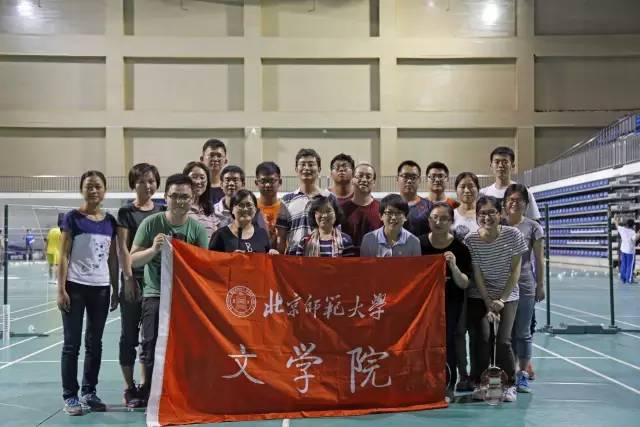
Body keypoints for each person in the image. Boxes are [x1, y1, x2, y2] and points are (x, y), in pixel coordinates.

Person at [130, 174, 209, 404]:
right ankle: (151, 394)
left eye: (185, 196)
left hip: (184, 298)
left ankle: (182, 394)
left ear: (192, 198)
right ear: (166, 197)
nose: (180, 201)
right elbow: (133, 260)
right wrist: (153, 250)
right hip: (155, 295)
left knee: (185, 347)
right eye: (175, 196)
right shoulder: (151, 224)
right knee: (151, 344)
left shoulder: (197, 230)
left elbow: (204, 266)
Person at [56, 170, 119, 416]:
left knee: (95, 343)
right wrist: (61, 289)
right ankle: (70, 396)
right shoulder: (72, 218)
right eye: (89, 186)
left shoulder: (110, 222)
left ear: (105, 190)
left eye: (98, 186)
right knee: (71, 344)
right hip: (75, 287)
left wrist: (115, 288)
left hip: (101, 289)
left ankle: (89, 392)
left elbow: (112, 258)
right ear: (82, 189)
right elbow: (63, 255)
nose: (93, 190)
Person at [464, 195, 527, 402]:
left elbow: (515, 270)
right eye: (482, 213)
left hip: (507, 295)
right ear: (476, 216)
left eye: (492, 212)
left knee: (503, 340)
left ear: (500, 214)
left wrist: (502, 299)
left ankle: (509, 385)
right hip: (479, 295)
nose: (487, 217)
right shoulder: (470, 240)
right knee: (482, 338)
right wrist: (487, 301)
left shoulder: (513, 235)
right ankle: (479, 382)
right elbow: (477, 274)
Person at [115, 163, 163, 408]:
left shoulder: (162, 210)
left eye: (152, 181)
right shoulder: (126, 212)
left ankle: (145, 386)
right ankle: (128, 387)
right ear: (134, 184)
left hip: (156, 283)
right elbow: (123, 248)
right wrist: (128, 278)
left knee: (150, 338)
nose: (148, 186)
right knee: (129, 336)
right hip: (133, 281)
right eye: (142, 181)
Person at [419, 202, 471, 400]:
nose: (438, 222)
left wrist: (454, 266)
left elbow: (464, 283)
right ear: (428, 220)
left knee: (448, 341)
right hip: (424, 303)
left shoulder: (460, 248)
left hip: (451, 302)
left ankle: (448, 385)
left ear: (451, 221)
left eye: (444, 219)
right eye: (434, 218)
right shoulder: (419, 244)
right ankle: (425, 383)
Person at [504, 184, 545, 394]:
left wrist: (540, 285)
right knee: (506, 334)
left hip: (525, 286)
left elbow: (539, 259)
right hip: (502, 287)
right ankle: (509, 373)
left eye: (519, 200)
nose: (514, 203)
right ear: (505, 203)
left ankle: (522, 375)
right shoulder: (499, 224)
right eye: (510, 199)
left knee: (523, 332)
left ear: (526, 204)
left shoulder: (533, 227)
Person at [276, 148, 336, 255]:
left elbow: (336, 232)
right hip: (294, 259)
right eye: (302, 164)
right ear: (296, 169)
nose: (306, 168)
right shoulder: (286, 200)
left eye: (311, 164)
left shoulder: (329, 198)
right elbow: (281, 238)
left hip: (322, 257)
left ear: (319, 169)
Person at [451, 171, 480, 392]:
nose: (467, 190)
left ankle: (479, 374)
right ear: (456, 190)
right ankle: (462, 373)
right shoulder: (450, 216)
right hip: (459, 282)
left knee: (479, 333)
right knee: (459, 331)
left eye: (471, 186)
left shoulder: (485, 214)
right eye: (463, 186)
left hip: (482, 283)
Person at [480, 146, 540, 220]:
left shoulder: (524, 192)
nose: (500, 165)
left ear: (512, 166)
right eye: (497, 162)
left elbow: (534, 221)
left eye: (505, 162)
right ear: (491, 166)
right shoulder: (483, 194)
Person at [209, 189, 276, 254]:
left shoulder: (262, 233)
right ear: (232, 210)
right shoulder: (220, 235)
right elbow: (212, 260)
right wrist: (230, 258)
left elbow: (267, 257)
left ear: (255, 209)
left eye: (249, 205)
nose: (245, 209)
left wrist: (272, 253)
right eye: (241, 205)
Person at [339, 162, 382, 255]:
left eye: (368, 177)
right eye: (360, 176)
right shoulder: (341, 209)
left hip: (374, 260)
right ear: (352, 179)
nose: (364, 180)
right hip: (347, 260)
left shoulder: (382, 209)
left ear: (374, 182)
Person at [183, 161, 219, 239]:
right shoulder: (179, 208)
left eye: (202, 178)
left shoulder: (210, 210)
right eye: (194, 177)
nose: (198, 182)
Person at [396, 160, 432, 237]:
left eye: (413, 177)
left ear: (419, 180)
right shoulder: (389, 205)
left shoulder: (429, 207)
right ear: (397, 179)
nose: (409, 181)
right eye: (405, 176)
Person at [255, 161, 282, 249]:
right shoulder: (250, 208)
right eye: (263, 181)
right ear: (256, 183)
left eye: (271, 181)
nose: (267, 185)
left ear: (280, 182)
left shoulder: (286, 208)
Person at [200, 138, 228, 205]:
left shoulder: (229, 188)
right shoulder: (196, 187)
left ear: (225, 161)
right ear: (202, 159)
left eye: (219, 156)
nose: (215, 159)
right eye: (211, 155)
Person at [614, 215, 640, 284]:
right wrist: (638, 233)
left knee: (623, 264)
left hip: (623, 250)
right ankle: (629, 279)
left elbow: (616, 225)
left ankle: (623, 279)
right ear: (633, 225)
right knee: (630, 266)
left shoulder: (622, 229)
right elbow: (635, 238)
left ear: (627, 224)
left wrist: (615, 218)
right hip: (630, 252)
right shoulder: (632, 232)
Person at [46, 215, 63, 283]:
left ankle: (50, 279)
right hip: (57, 251)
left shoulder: (51, 230)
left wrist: (45, 249)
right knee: (56, 265)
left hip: (49, 250)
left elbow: (47, 241)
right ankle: (56, 280)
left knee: (50, 265)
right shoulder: (61, 231)